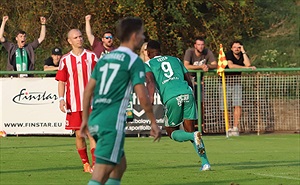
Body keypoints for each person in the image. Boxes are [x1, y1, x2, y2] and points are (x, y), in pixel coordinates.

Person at [80, 17, 161, 185]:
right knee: (100, 174)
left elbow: (88, 91)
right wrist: (153, 122)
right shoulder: (133, 60)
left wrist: (85, 120)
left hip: (96, 118)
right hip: (112, 122)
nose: (143, 38)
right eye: (141, 34)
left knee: (120, 166)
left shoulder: (104, 58)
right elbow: (142, 96)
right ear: (133, 35)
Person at [145, 40, 211, 171]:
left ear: (147, 52)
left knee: (171, 132)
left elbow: (150, 82)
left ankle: (192, 136)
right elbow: (188, 78)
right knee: (192, 131)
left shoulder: (148, 64)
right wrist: (191, 94)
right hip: (187, 93)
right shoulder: (175, 59)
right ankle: (206, 163)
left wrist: (150, 98)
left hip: (171, 97)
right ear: (160, 50)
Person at [55, 29, 97, 173]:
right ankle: (85, 163)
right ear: (69, 41)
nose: (79, 39)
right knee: (79, 134)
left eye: (80, 36)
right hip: (73, 103)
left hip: (91, 103)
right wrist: (61, 99)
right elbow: (61, 81)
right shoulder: (65, 59)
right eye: (76, 37)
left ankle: (96, 164)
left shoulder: (92, 56)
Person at [222, 40, 256, 136]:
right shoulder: (228, 54)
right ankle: (228, 128)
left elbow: (248, 64)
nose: (237, 49)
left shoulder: (242, 55)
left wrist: (244, 52)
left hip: (236, 82)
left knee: (237, 105)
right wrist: (246, 69)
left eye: (239, 47)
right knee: (226, 106)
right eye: (235, 47)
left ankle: (235, 128)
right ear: (231, 48)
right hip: (225, 82)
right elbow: (231, 66)